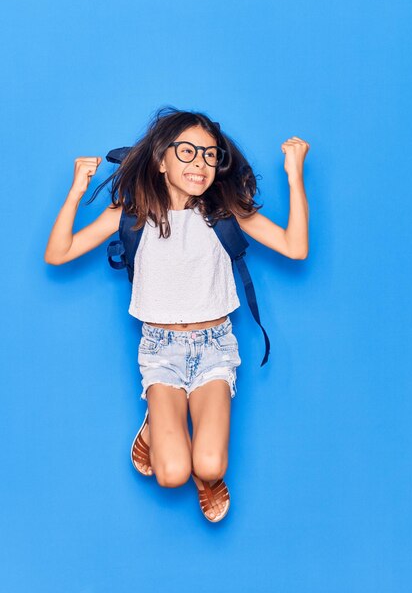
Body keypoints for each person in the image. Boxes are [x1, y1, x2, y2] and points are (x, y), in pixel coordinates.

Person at [44, 106, 310, 522]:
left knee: (209, 467)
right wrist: (77, 190)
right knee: (170, 475)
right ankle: (155, 424)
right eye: (186, 152)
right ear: (160, 159)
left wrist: (295, 175)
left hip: (215, 348)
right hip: (160, 350)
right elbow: (58, 254)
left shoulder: (224, 211)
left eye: (208, 154)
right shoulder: (132, 213)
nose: (199, 163)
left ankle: (201, 468)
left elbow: (295, 247)